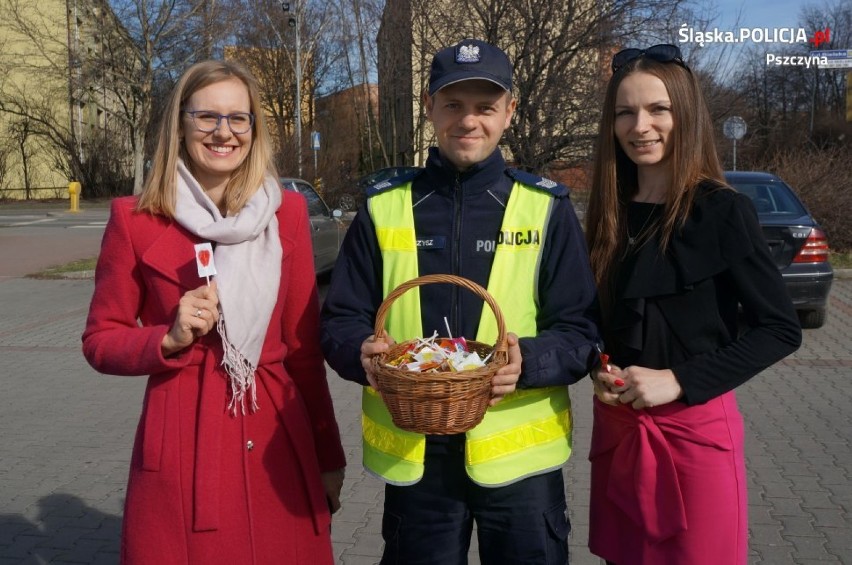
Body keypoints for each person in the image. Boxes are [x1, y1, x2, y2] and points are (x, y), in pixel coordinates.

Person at [321, 39, 600, 564]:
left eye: (485, 107)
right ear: (429, 108)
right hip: (417, 456)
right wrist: (359, 351)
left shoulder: (546, 209)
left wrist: (529, 362)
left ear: (508, 112)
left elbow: (582, 332)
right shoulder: (384, 205)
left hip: (520, 467)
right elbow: (340, 317)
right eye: (453, 105)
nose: (468, 121)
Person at [82, 60, 346, 565]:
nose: (223, 132)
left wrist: (328, 456)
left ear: (253, 129)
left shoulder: (286, 215)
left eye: (237, 118)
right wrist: (167, 338)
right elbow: (100, 339)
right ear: (180, 124)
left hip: (277, 440)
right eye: (206, 117)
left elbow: (304, 353)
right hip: (183, 437)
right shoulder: (134, 220)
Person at [584, 44, 802, 565]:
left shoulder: (724, 212)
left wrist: (678, 380)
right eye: (625, 112)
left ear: (685, 114)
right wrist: (598, 365)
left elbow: (779, 329)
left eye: (658, 109)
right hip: (620, 431)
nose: (641, 125)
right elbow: (602, 321)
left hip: (694, 433)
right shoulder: (608, 215)